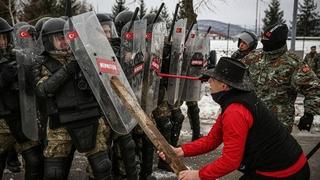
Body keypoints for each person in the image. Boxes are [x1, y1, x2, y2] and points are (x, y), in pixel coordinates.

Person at [158, 57, 310, 180]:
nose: (209, 82)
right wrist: (180, 151)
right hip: (282, 165)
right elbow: (212, 140)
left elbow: (231, 160)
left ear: (224, 86)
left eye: (213, 79)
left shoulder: (235, 111)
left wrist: (199, 175)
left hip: (285, 172)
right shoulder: (233, 100)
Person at [30, 18, 112, 179]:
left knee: (102, 167)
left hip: (90, 118)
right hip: (60, 122)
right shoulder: (42, 63)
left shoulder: (83, 56)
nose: (64, 41)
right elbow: (43, 90)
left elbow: (104, 83)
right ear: (48, 41)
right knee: (54, 173)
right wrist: (69, 68)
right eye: (59, 38)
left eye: (66, 36)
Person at [242, 23, 320, 132]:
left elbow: (314, 88)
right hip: (251, 118)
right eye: (263, 41)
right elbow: (237, 76)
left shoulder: (293, 64)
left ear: (278, 42)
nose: (265, 45)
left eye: (268, 42)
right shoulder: (254, 56)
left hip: (278, 125)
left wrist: (309, 114)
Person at [0, 17, 43, 180]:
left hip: (22, 118)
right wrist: (3, 79)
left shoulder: (16, 56)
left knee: (35, 160)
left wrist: (28, 69)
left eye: (4, 37)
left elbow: (33, 84)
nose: (2, 42)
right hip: (1, 123)